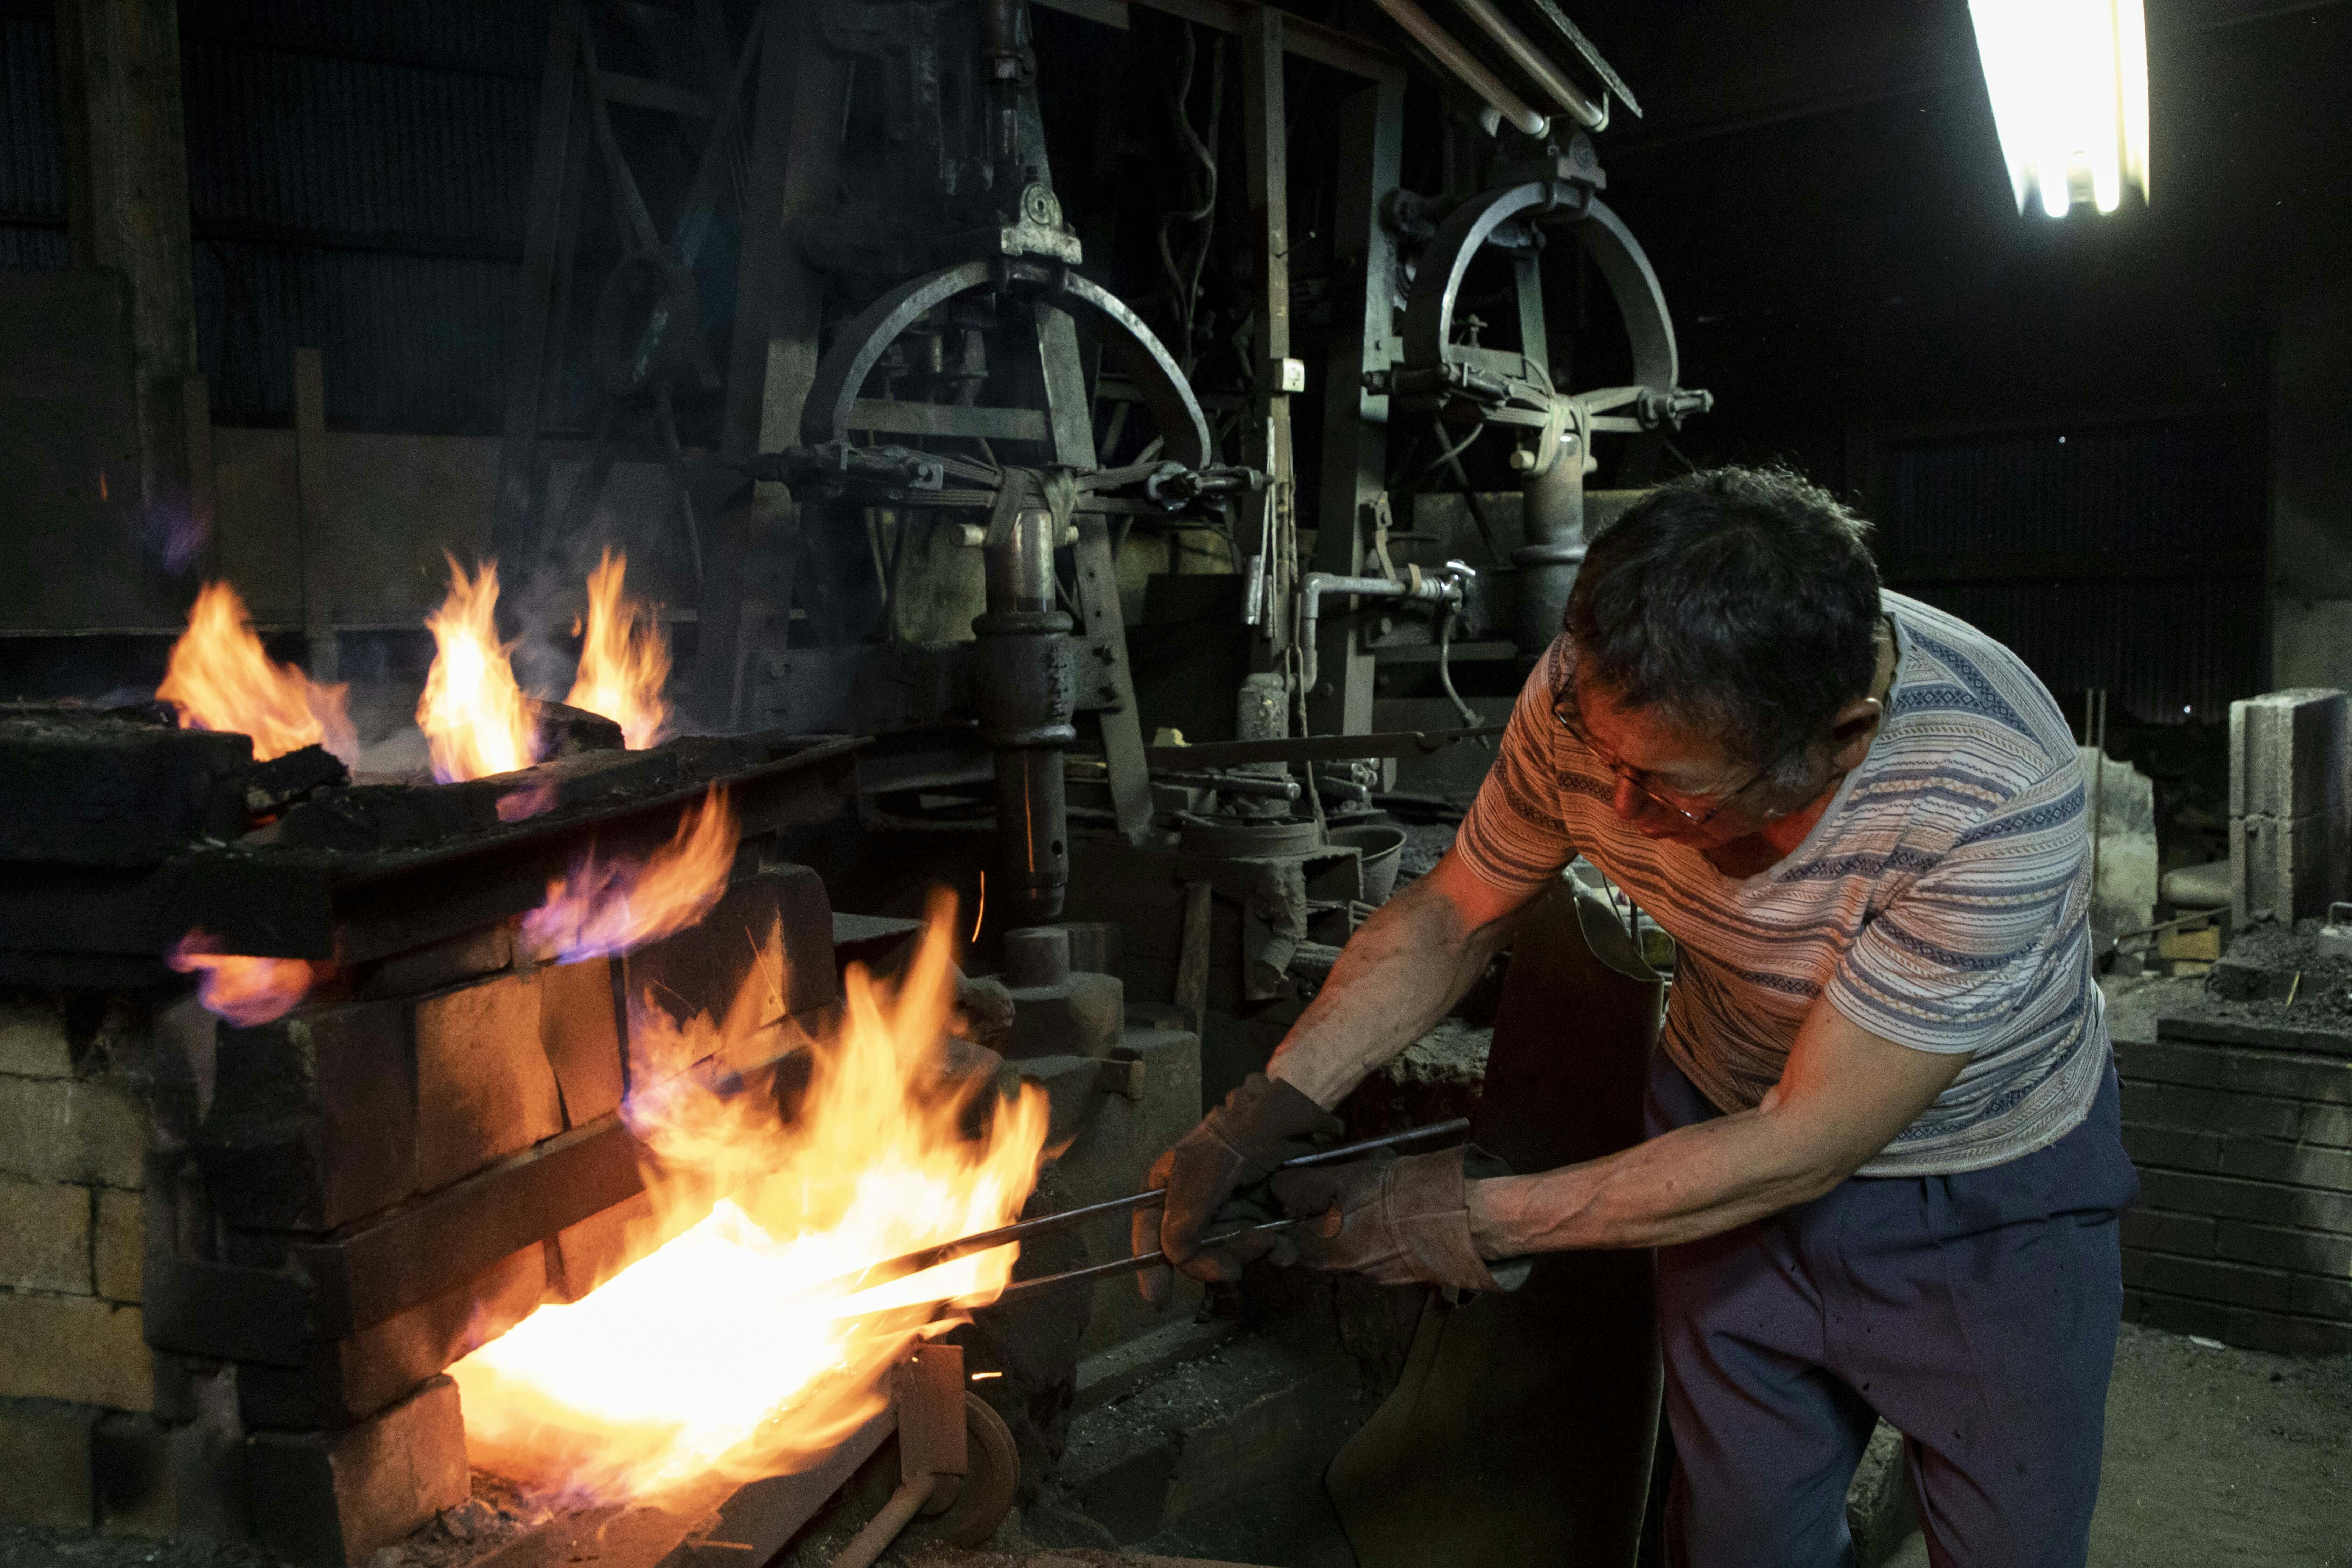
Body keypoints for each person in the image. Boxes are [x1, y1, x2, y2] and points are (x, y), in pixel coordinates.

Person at [1134, 466, 2139, 1568]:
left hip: (1981, 1193)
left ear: (1844, 736)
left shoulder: (1989, 790)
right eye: (1605, 759)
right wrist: (1263, 1110)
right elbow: (1459, 912)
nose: (1617, 809)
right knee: (1740, 1543)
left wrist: (1461, 1222)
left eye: (1674, 791)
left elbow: (1809, 1141)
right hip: (1719, 1127)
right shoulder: (1596, 690)